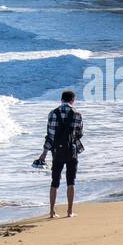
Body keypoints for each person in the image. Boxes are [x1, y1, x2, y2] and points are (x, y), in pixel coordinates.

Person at [32, 89, 83, 219]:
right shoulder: (77, 114)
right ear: (73, 100)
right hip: (72, 152)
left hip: (57, 152)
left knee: (54, 182)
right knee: (71, 182)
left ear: (61, 100)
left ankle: (52, 212)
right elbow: (79, 134)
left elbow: (50, 136)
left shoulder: (53, 113)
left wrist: (44, 153)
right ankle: (69, 211)